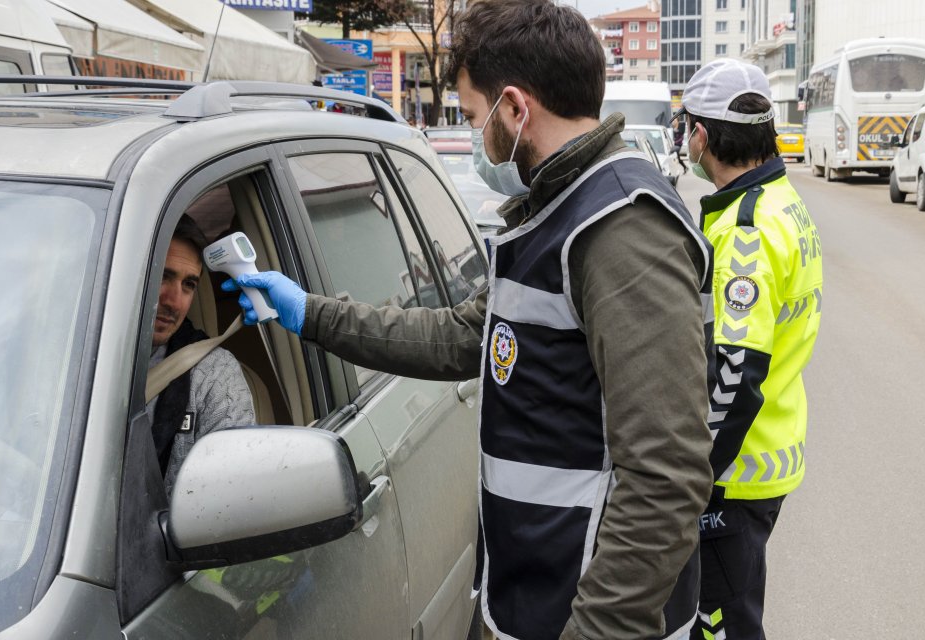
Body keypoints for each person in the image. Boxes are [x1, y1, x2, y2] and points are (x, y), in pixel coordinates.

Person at [224, 1, 717, 638]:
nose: (477, 134)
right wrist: (312, 314)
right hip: (534, 594)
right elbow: (464, 335)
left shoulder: (620, 228)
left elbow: (667, 477)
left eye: (472, 115)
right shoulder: (557, 211)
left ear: (514, 109)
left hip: (586, 613)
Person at [678, 59, 824, 640]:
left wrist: (694, 477)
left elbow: (736, 373)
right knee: (735, 612)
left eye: (686, 127)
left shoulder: (746, 232)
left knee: (721, 625)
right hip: (766, 453)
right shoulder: (783, 201)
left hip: (732, 475)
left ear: (702, 136)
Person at [148, 214, 255, 494]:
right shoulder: (71, 358)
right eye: (163, 276)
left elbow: (230, 499)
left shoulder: (214, 376)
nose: (174, 301)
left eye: (189, 285)